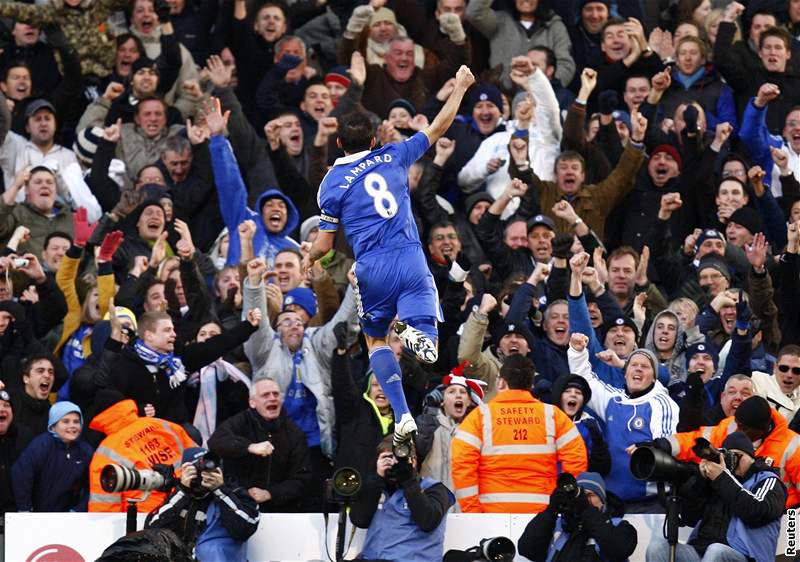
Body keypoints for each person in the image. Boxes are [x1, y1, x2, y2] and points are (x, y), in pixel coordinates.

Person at [301, 64, 476, 454]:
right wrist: (460, 85)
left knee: (375, 337)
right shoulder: (394, 155)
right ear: (376, 139)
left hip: (372, 267)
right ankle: (421, 339)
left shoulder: (331, 183)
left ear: (340, 146)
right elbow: (438, 128)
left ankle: (403, 414)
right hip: (412, 260)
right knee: (425, 338)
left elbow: (326, 246)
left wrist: (308, 256)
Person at [451, 355, 588, 513]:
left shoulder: (479, 417)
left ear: (501, 382)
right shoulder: (553, 415)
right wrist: (563, 505)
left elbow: (462, 465)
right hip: (543, 515)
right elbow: (577, 460)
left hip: (491, 514)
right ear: (531, 384)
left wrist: (473, 511)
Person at [568, 331, 679, 512]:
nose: (638, 369)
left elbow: (668, 446)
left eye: (645, 366)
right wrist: (577, 352)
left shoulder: (661, 403)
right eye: (633, 365)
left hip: (650, 504)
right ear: (625, 374)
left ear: (654, 377)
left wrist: (645, 448)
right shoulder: (614, 400)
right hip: (612, 501)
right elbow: (587, 382)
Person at [646, 432, 786, 562]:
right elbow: (690, 518)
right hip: (701, 552)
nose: (733, 462)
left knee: (716, 551)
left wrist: (723, 478)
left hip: (746, 556)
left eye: (738, 456)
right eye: (729, 457)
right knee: (658, 548)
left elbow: (758, 511)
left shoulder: (767, 480)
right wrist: (701, 481)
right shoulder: (716, 482)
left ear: (752, 457)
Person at [666, 395, 800, 509]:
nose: (738, 430)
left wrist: (791, 524)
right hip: (729, 511)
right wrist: (667, 445)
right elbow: (695, 440)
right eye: (737, 423)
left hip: (779, 516)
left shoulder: (793, 446)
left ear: (762, 429)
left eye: (743, 428)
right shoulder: (731, 425)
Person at [208, 378, 312, 513]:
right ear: (252, 403)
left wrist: (270, 494)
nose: (272, 398)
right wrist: (248, 447)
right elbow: (215, 442)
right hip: (239, 506)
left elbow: (302, 479)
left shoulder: (294, 433)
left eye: (276, 394)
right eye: (265, 395)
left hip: (282, 511)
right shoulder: (240, 422)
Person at [349, 435, 454, 562]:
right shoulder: (377, 489)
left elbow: (428, 521)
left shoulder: (433, 488)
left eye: (399, 458)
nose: (394, 463)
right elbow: (359, 520)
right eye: (388, 458)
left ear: (413, 461)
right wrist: (377, 479)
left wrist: (408, 482)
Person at [145, 447, 260, 562]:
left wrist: (221, 491)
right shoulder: (180, 495)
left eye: (211, 466)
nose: (205, 471)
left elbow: (245, 529)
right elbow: (151, 530)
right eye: (199, 467)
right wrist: (183, 490)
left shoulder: (234, 493)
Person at [87, 395, 197, 513]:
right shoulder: (162, 424)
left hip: (147, 516)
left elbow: (105, 505)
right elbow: (198, 457)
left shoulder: (105, 453)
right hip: (190, 499)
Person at [517, 471, 637, 561]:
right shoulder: (558, 524)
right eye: (582, 496)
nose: (585, 499)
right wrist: (551, 510)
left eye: (590, 495)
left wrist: (585, 509)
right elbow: (527, 549)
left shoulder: (618, 525)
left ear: (603, 502)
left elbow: (619, 549)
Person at [11, 401, 94, 512]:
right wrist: (25, 509)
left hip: (69, 517)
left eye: (76, 422)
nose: (72, 426)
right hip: (37, 513)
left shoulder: (85, 451)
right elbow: (21, 474)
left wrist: (78, 510)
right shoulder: (42, 445)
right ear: (53, 426)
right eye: (65, 421)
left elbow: (93, 485)